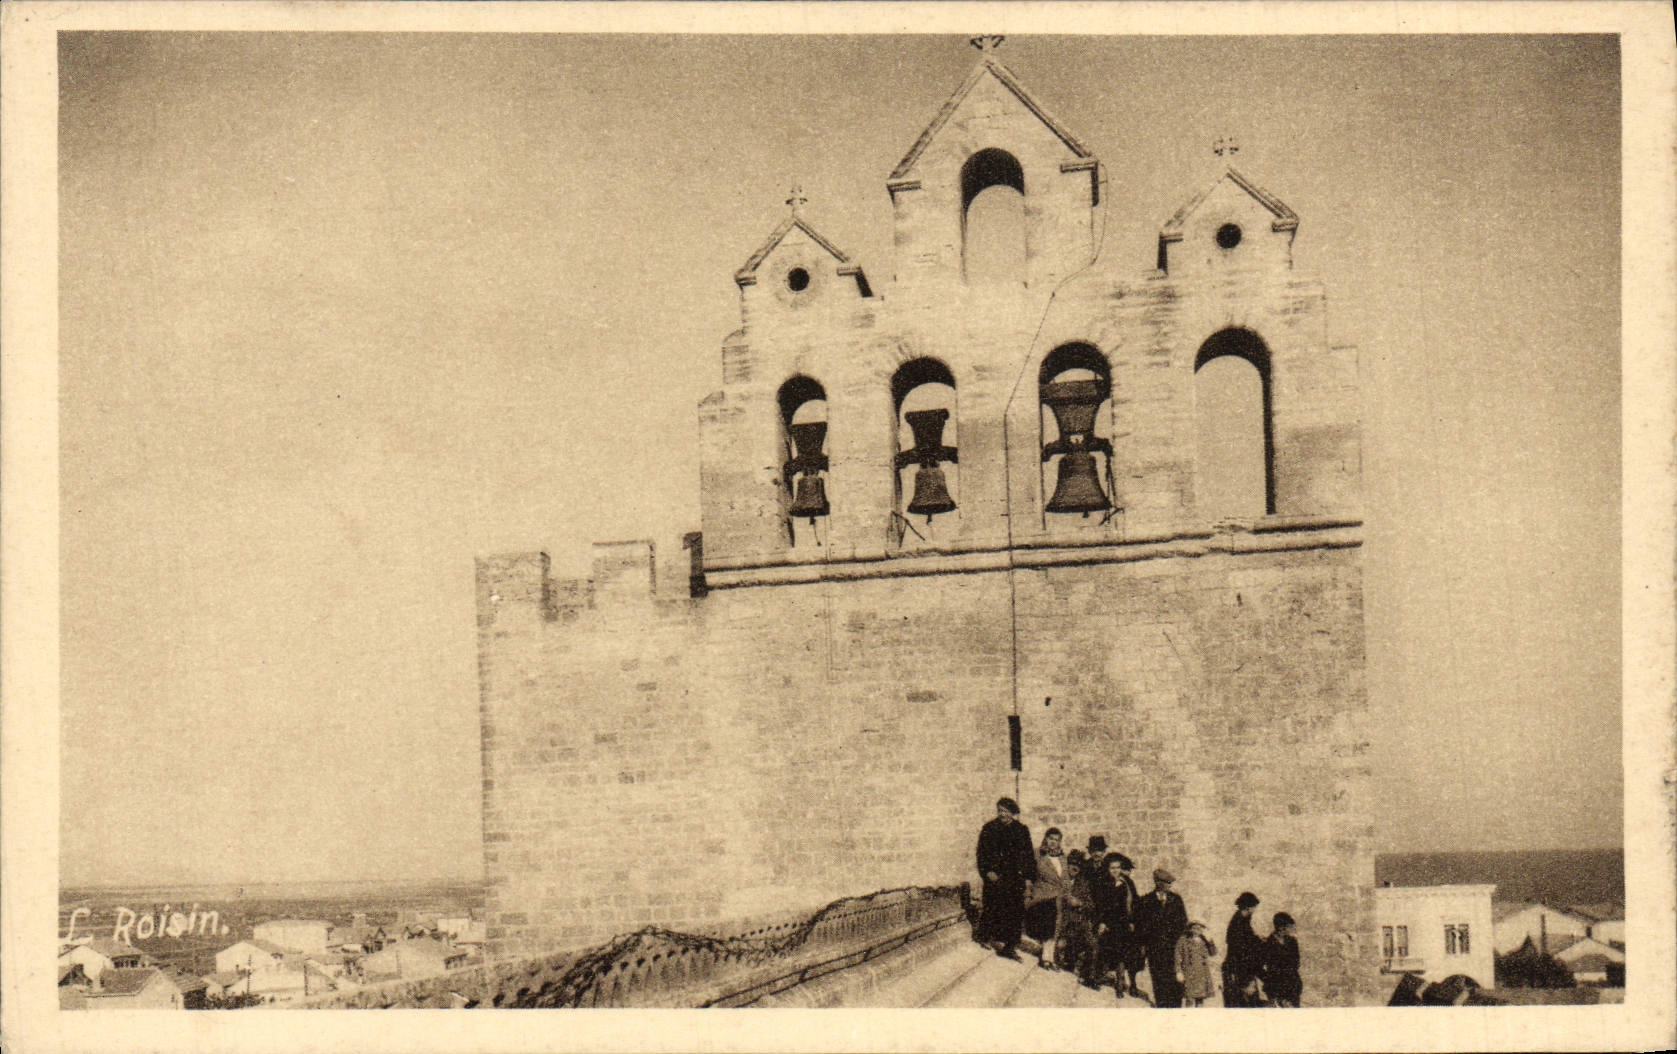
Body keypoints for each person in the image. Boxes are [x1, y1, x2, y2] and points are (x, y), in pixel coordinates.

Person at [974, 796, 1037, 959]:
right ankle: (985, 936)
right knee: (992, 907)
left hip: (1014, 878)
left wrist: (1028, 877)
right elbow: (981, 854)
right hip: (994, 877)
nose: (1002, 814)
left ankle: (1010, 945)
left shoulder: (1021, 830)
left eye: (1006, 811)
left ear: (1013, 813)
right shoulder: (989, 829)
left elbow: (1029, 855)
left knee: (1015, 911)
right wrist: (987, 872)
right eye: (1000, 811)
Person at [1133, 867, 1189, 1007]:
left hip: (1173, 948)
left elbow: (1183, 922)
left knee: (1175, 980)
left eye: (1170, 883)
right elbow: (1141, 926)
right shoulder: (1145, 901)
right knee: (1159, 980)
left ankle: (1176, 1007)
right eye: (1166, 883)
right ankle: (1162, 1007)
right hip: (1155, 949)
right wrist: (1143, 946)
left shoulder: (1176, 900)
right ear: (1157, 882)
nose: (1169, 886)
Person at [1091, 852, 1137, 996]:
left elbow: (1134, 903)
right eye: (1112, 868)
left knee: (1121, 954)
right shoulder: (1102, 883)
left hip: (1122, 923)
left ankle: (1119, 983)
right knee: (1103, 950)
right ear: (1107, 869)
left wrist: (1132, 921)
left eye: (1117, 867)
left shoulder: (1127, 883)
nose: (1115, 870)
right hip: (1106, 923)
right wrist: (1101, 922)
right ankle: (1096, 977)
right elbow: (1099, 905)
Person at [1025, 828, 1069, 969]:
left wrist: (1067, 893)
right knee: (1048, 924)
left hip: (1058, 896)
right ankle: (1046, 958)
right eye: (1051, 838)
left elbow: (1065, 877)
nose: (1053, 842)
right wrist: (1028, 892)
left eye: (1056, 840)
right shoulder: (1037, 854)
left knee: (1056, 927)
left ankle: (1049, 957)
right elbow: (1029, 874)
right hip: (1042, 895)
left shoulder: (1062, 857)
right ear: (1045, 838)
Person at [1056, 850, 1099, 986]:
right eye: (1072, 864)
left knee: (1092, 944)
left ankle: (1089, 977)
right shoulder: (1060, 880)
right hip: (1061, 922)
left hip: (1078, 922)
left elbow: (1091, 905)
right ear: (1067, 865)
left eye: (1078, 866)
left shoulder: (1083, 884)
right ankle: (1066, 959)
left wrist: (1079, 903)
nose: (1074, 868)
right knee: (1062, 944)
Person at [1222, 891, 1264, 1007]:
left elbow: (1249, 938)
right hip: (1239, 968)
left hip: (1241, 967)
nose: (1255, 910)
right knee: (1241, 1002)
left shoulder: (1243, 920)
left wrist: (1257, 939)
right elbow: (1239, 948)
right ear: (1248, 907)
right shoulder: (1238, 923)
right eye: (1254, 907)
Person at [1260, 911, 1302, 1007]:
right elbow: (1261, 967)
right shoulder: (1268, 944)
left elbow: (1296, 963)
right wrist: (1270, 980)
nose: (1291, 929)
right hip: (1276, 988)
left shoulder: (1292, 942)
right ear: (1281, 928)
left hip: (1293, 986)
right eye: (1289, 926)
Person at [1173, 919, 1218, 1006]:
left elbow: (1213, 953)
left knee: (1200, 1000)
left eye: (1200, 928)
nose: (1197, 930)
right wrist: (1178, 971)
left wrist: (1210, 941)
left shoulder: (1204, 940)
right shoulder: (1183, 940)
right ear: (1190, 928)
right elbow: (1177, 956)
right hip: (1189, 974)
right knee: (1189, 1000)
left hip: (1202, 974)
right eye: (1195, 927)